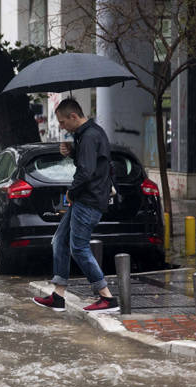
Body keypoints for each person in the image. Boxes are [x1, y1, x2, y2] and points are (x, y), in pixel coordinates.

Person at [33, 98, 119, 313]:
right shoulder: (87, 135)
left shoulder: (89, 136)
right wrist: (71, 152)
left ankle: (106, 298)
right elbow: (91, 164)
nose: (61, 126)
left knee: (79, 248)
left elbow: (86, 172)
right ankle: (58, 296)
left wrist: (71, 192)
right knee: (59, 240)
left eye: (62, 122)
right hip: (86, 198)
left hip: (88, 200)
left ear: (73, 116)